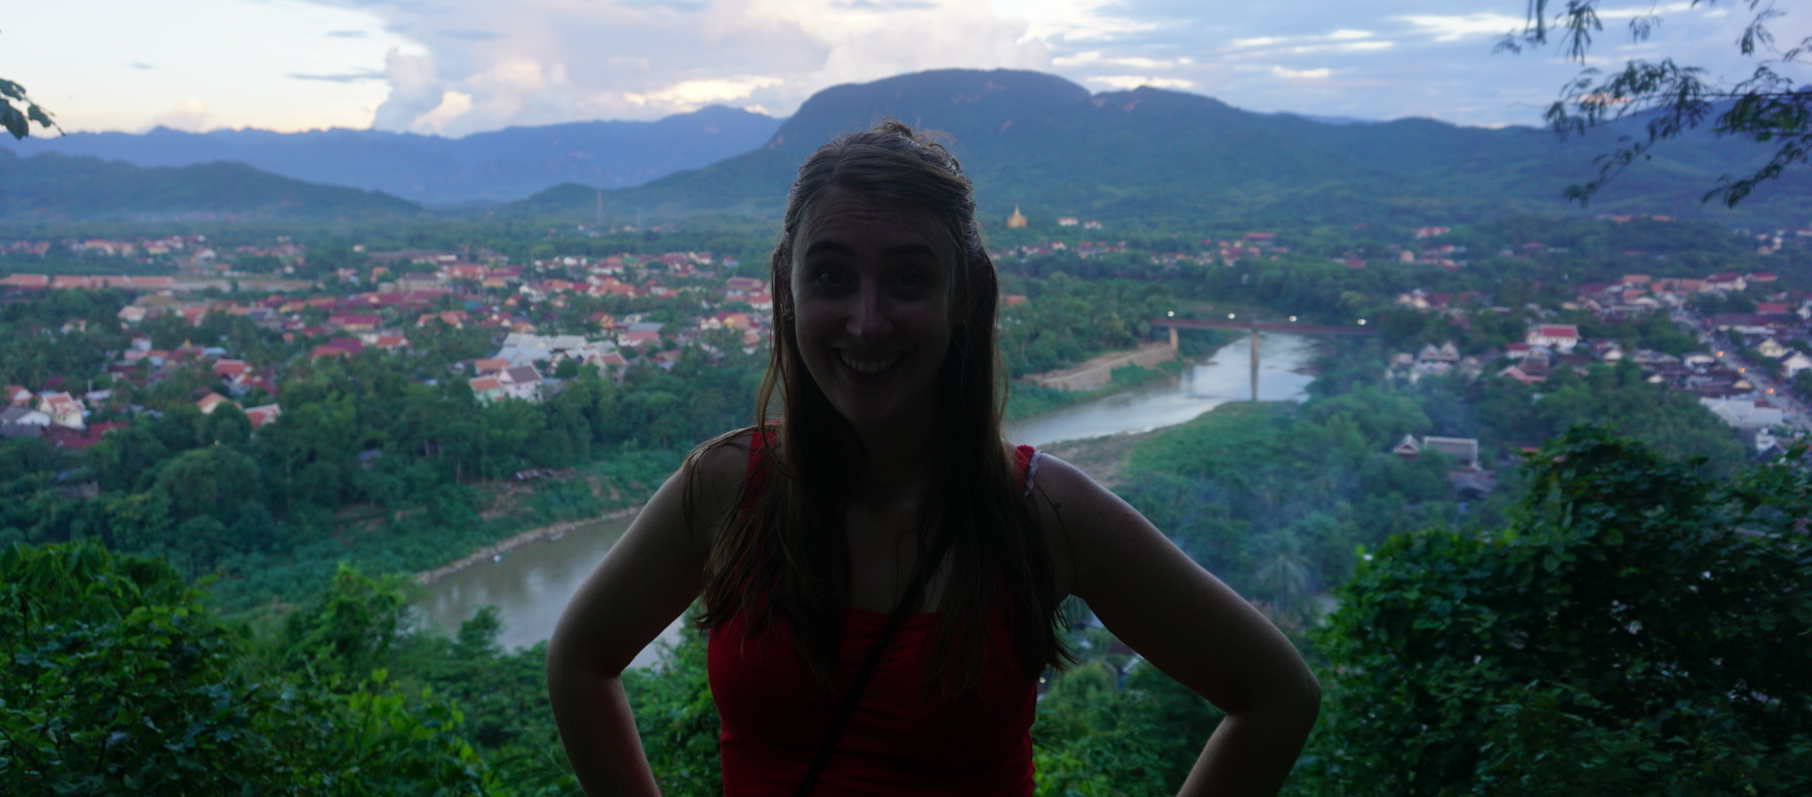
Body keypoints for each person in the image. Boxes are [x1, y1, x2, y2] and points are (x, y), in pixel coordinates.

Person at [547, 122, 1319, 796]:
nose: (867, 322)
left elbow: (1277, 697)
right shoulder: (726, 487)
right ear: (786, 287)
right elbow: (580, 661)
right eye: (832, 276)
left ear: (968, 296)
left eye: (908, 280)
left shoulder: (1043, 514)